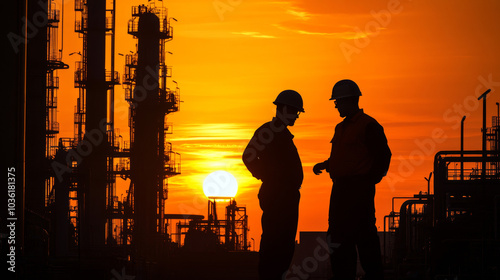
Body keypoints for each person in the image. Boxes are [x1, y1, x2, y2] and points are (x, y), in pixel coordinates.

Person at [313, 79, 391, 280]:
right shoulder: (341, 128)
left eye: (338, 101)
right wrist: (325, 165)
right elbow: (345, 157)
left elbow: (383, 156)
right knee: (338, 238)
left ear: (349, 100)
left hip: (359, 190)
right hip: (340, 190)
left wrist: (370, 181)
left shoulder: (368, 126)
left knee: (364, 235)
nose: (335, 105)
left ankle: (374, 275)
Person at [242, 90, 305, 280]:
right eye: (294, 112)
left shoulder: (281, 134)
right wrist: (267, 176)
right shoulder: (268, 132)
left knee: (284, 244)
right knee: (274, 243)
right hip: (278, 196)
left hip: (287, 196)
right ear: (284, 109)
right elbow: (249, 156)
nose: (296, 116)